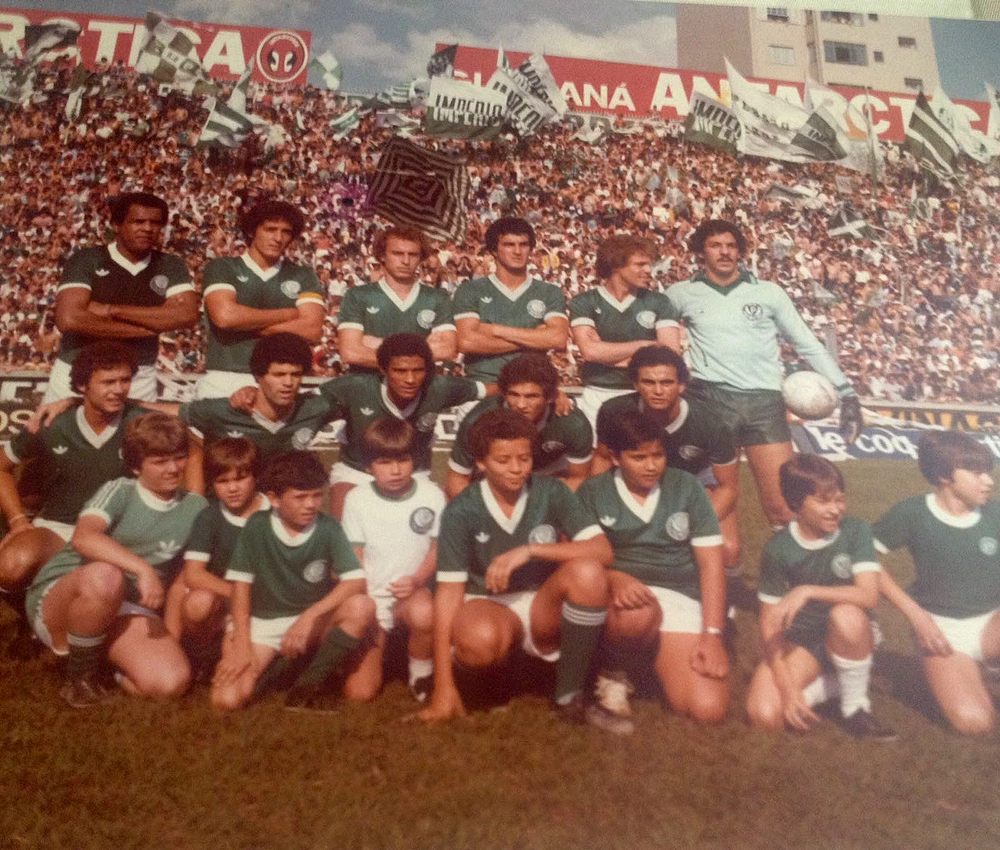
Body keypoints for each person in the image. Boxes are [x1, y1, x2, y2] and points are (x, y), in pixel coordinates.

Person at [419, 408, 619, 730]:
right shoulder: (461, 510)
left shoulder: (552, 492)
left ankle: (569, 696)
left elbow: (602, 550)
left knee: (588, 573)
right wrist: (443, 687)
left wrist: (530, 550)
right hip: (487, 603)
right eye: (503, 460)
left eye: (524, 458)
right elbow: (449, 595)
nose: (516, 469)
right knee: (479, 642)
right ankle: (499, 677)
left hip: (541, 603)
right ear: (481, 463)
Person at [666, 220, 863, 529]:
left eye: (731, 246)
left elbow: (806, 342)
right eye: (716, 245)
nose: (725, 252)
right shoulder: (680, 294)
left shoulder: (769, 292)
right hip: (710, 405)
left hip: (764, 405)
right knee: (716, 512)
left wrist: (847, 393)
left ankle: (787, 576)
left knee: (783, 509)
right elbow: (656, 342)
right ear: (701, 251)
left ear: (741, 251)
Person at [24, 412, 207, 707]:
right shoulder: (119, 490)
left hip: (129, 607)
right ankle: (79, 680)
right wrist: (142, 569)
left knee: (169, 683)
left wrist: (172, 636)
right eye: (160, 462)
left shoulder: (195, 506)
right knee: (107, 575)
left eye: (179, 458)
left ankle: (104, 666)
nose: (173, 469)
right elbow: (84, 537)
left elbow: (185, 576)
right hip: (70, 593)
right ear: (136, 467)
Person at [577, 410, 729, 730]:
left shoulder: (686, 487)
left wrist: (712, 636)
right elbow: (578, 560)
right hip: (622, 600)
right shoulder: (593, 492)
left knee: (707, 708)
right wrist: (614, 577)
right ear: (615, 457)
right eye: (638, 457)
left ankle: (647, 664)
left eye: (658, 455)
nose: (651, 465)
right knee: (637, 615)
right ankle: (613, 676)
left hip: (678, 595)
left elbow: (711, 566)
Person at [0, 343, 145, 658]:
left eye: (125, 380)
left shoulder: (140, 423)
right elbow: (2, 466)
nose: (119, 390)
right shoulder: (53, 424)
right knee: (12, 565)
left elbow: (186, 421)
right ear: (82, 385)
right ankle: (30, 620)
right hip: (58, 527)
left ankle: (91, 642)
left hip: (113, 536)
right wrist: (17, 520)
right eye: (108, 382)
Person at [210, 451, 374, 712]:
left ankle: (306, 686)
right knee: (227, 700)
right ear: (274, 499)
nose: (311, 504)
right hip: (262, 623)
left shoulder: (328, 527)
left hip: (307, 623)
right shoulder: (258, 526)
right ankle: (283, 668)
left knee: (361, 606)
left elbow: (354, 581)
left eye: (317, 495)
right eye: (300, 497)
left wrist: (309, 615)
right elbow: (240, 587)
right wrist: (241, 643)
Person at [746, 454, 895, 740]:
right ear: (796, 504)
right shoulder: (777, 550)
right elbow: (769, 624)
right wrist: (789, 690)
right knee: (765, 715)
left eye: (839, 500)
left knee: (846, 614)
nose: (835, 510)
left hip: (853, 633)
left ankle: (854, 707)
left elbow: (868, 596)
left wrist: (808, 590)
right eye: (823, 502)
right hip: (804, 640)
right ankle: (832, 686)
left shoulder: (855, 531)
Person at [874, 430, 1000, 735]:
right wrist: (917, 617)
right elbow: (865, 558)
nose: (989, 481)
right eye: (976, 473)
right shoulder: (912, 513)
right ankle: (960, 672)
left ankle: (992, 664)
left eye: (988, 472)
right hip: (941, 632)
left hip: (992, 623)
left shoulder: (995, 513)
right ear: (945, 476)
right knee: (976, 723)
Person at [593, 347, 741, 577]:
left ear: (681, 385)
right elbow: (602, 459)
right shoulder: (615, 411)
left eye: (667, 382)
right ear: (635, 384)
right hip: (636, 475)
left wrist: (694, 525)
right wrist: (598, 504)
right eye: (649, 382)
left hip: (696, 478)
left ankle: (722, 606)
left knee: (728, 549)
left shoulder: (711, 422)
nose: (658, 391)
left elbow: (728, 487)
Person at [45, 191, 199, 402]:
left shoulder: (170, 265)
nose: (147, 228)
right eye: (138, 221)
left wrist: (110, 310)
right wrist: (154, 324)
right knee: (60, 431)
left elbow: (187, 316)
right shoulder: (87, 260)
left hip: (138, 374)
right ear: (116, 225)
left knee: (135, 434)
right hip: (78, 369)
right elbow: (70, 320)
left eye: (155, 223)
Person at [318, 333, 487, 518]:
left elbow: (496, 388)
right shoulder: (354, 388)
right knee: (345, 523)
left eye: (418, 370)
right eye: (400, 371)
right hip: (357, 472)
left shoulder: (439, 388)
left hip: (415, 473)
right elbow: (306, 404)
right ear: (383, 369)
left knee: (448, 519)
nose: (410, 379)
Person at [340, 417, 443, 703]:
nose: (396, 470)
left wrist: (417, 580)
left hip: (414, 592)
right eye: (385, 462)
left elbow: (437, 547)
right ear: (368, 466)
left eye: (403, 460)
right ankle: (368, 653)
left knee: (424, 613)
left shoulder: (432, 494)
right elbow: (354, 557)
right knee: (359, 694)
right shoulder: (357, 499)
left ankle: (420, 673)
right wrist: (365, 604)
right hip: (373, 596)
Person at [165, 437, 268, 681]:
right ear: (212, 483)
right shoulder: (209, 517)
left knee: (247, 675)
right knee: (197, 601)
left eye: (240, 478)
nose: (232, 488)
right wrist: (236, 594)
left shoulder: (273, 513)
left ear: (255, 476)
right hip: (227, 600)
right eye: (222, 481)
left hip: (265, 600)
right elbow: (194, 573)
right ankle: (197, 654)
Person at [198, 200, 325, 398]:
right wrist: (288, 314)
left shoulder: (303, 275)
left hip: (280, 381)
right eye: (270, 229)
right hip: (225, 375)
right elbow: (225, 317)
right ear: (251, 231)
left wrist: (244, 324)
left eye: (286, 232)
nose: (278, 238)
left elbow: (312, 330)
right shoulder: (223, 267)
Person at [568, 234, 680, 429]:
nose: (648, 270)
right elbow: (590, 352)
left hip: (645, 396)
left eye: (649, 264)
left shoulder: (659, 302)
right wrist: (647, 345)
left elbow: (670, 354)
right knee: (600, 457)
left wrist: (606, 352)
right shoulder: (585, 301)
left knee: (643, 456)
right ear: (616, 265)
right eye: (640, 264)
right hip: (598, 393)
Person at [447, 354, 593, 499]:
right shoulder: (477, 420)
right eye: (514, 395)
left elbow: (579, 478)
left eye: (531, 396)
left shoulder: (572, 423)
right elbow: (458, 479)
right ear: (503, 394)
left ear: (550, 397)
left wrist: (545, 508)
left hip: (548, 479)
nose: (521, 405)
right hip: (493, 480)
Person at [453, 217, 568, 383]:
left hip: (533, 384)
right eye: (509, 244)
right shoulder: (470, 290)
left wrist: (494, 330)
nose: (517, 251)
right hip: (484, 383)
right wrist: (536, 336)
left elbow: (558, 339)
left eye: (523, 244)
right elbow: (467, 342)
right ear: (493, 250)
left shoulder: (549, 292)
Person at [337, 225, 456, 373]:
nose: (406, 261)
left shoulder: (438, 298)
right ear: (382, 255)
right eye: (397, 253)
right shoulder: (357, 296)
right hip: (368, 389)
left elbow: (448, 350)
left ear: (420, 258)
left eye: (412, 254)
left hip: (420, 391)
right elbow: (351, 353)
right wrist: (423, 346)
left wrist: (378, 343)